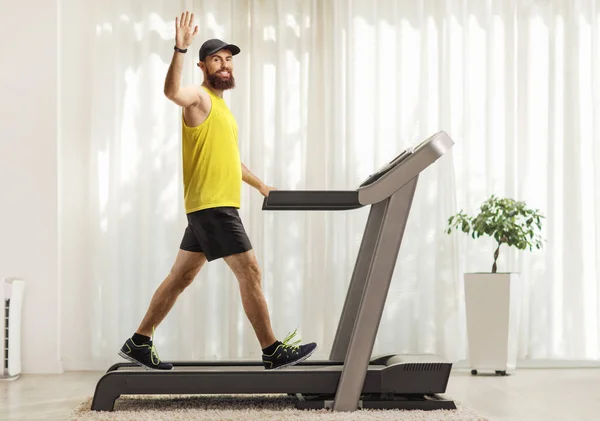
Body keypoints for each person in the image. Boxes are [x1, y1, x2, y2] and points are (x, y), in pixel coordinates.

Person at [118, 11, 317, 371]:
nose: (225, 65)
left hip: (209, 206)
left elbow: (231, 162)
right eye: (216, 59)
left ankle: (139, 341)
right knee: (251, 272)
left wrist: (260, 185)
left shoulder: (222, 108)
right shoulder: (199, 98)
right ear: (203, 65)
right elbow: (171, 91)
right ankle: (271, 350)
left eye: (228, 60)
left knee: (181, 277)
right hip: (214, 207)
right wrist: (179, 48)